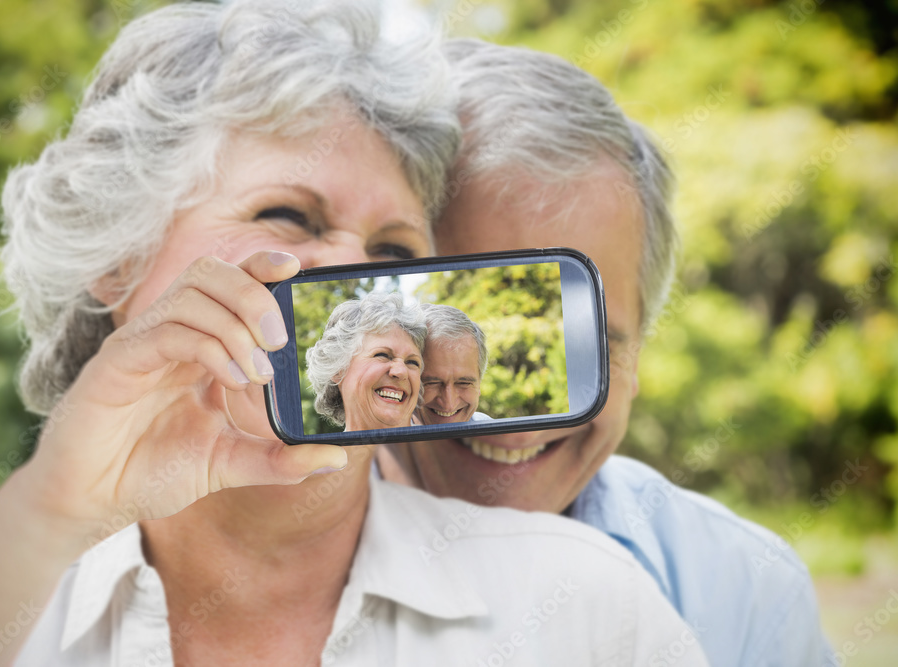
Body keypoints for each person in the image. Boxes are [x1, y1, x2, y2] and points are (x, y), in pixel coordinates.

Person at [0, 5, 710, 667]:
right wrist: (54, 507)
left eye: (394, 252)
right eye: (288, 216)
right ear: (119, 258)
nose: (355, 274)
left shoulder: (584, 604)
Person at [379, 38, 832, 666]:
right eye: (466, 332)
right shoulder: (268, 577)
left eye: (586, 346)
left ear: (640, 351)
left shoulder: (748, 595)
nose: (512, 424)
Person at [307, 293, 424, 431]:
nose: (401, 371)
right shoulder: (322, 452)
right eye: (383, 355)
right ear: (338, 370)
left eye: (412, 362)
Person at [415, 303, 492, 425]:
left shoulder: (494, 435)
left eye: (464, 383)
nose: (449, 404)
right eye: (432, 383)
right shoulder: (383, 440)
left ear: (479, 385)